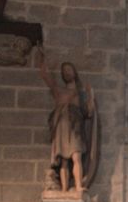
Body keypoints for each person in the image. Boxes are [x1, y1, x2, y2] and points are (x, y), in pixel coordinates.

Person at [38, 49, 97, 193]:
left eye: (69, 70)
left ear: (74, 72)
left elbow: (88, 112)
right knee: (64, 160)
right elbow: (46, 77)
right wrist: (42, 59)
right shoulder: (59, 92)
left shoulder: (80, 93)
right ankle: (64, 189)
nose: (67, 72)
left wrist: (90, 96)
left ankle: (77, 186)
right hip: (61, 127)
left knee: (76, 156)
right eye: (64, 71)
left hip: (75, 127)